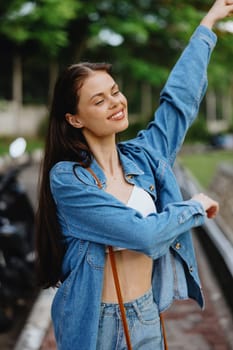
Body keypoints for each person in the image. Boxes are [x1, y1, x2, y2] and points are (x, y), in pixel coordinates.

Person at [35, 1, 233, 349]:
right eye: (99, 100)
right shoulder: (68, 179)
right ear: (74, 119)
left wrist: (207, 25)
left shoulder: (143, 157)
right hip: (97, 322)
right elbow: (143, 235)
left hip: (147, 312)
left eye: (115, 92)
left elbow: (179, 102)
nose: (115, 102)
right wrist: (194, 207)